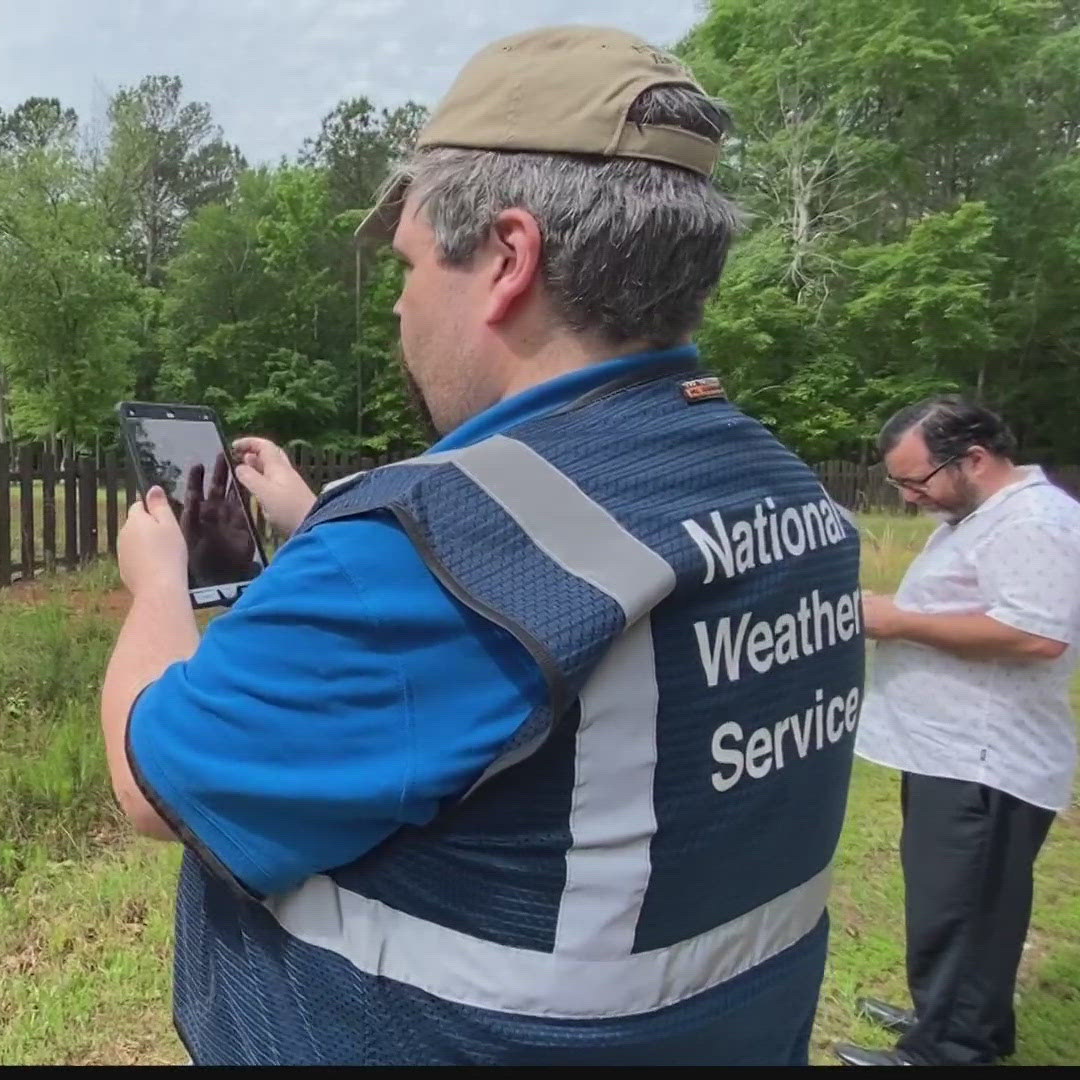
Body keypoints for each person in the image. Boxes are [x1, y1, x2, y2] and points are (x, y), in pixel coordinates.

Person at [99, 25, 867, 1066]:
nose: (403, 305)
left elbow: (150, 787)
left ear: (509, 258)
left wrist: (157, 585)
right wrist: (314, 515)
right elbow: (551, 625)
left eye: (411, 265)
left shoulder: (414, 555)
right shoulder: (780, 487)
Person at [837, 398, 1080, 1067]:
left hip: (986, 754)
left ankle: (951, 1050)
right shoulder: (978, 514)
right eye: (901, 485)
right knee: (957, 904)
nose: (911, 497)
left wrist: (897, 621)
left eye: (917, 481)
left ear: (974, 458)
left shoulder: (1033, 520)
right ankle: (949, 1016)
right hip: (949, 750)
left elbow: (1037, 636)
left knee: (965, 908)